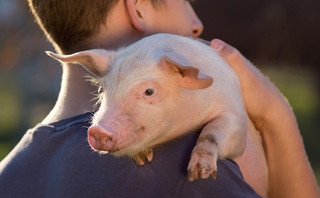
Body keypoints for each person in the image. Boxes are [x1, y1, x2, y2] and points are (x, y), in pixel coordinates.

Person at [0, 0, 318, 197]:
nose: (196, 25)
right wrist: (276, 114)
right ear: (137, 8)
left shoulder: (9, 174)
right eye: (185, 1)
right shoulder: (192, 170)